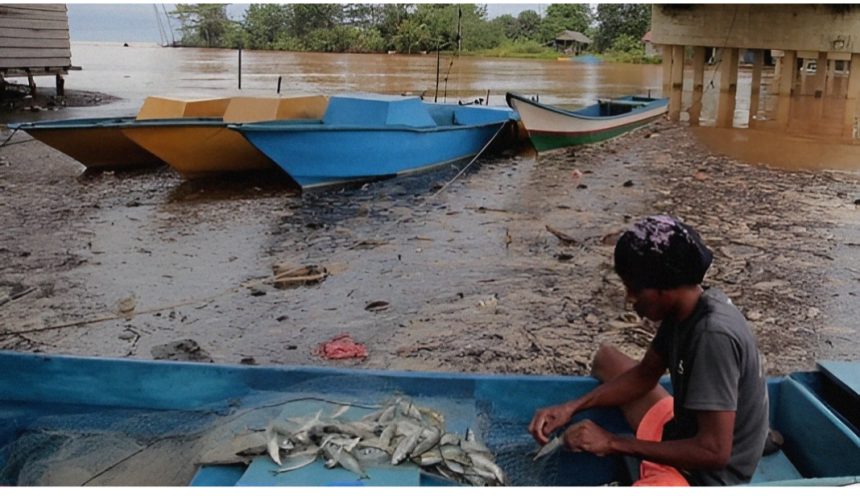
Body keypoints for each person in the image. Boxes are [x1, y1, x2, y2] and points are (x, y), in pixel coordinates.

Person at [528, 214, 769, 486]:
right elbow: (645, 375)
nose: (629, 298)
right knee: (608, 359)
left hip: (703, 474)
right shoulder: (686, 308)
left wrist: (614, 443)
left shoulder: (712, 335)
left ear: (665, 288)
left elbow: (713, 453)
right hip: (681, 429)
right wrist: (571, 407)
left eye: (634, 289)